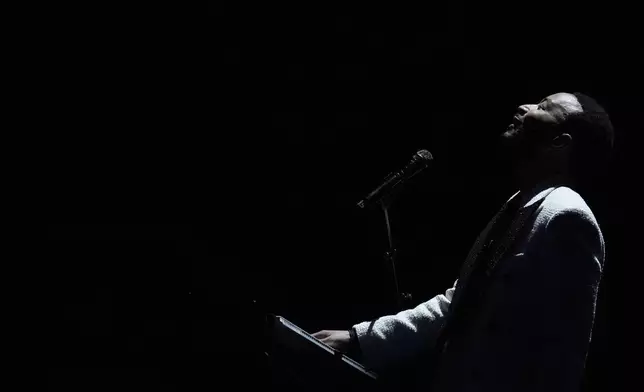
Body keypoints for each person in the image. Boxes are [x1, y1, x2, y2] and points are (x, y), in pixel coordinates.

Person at [312, 92, 614, 392]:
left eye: (543, 107)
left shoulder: (567, 217)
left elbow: (564, 354)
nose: (524, 106)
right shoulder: (517, 207)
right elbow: (457, 306)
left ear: (560, 143)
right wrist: (359, 338)